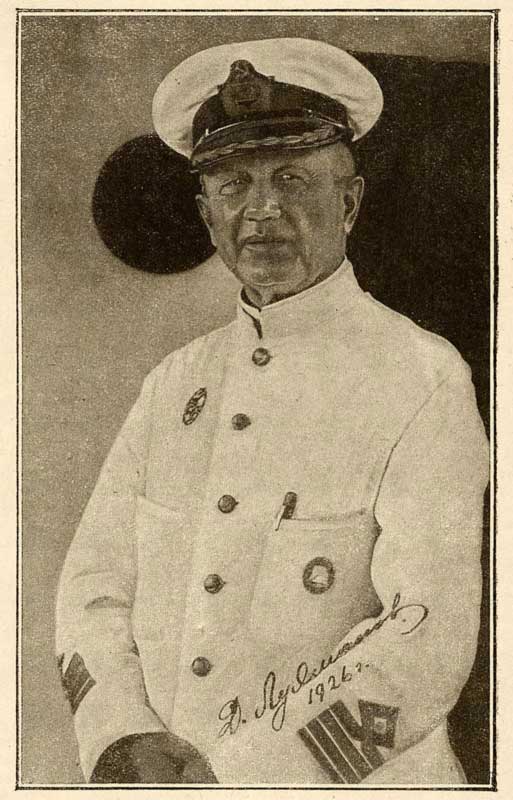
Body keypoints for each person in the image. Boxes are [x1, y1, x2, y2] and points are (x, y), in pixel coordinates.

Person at [56, 38, 489, 785]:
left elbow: (430, 636)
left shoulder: (422, 375)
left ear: (348, 203)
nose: (262, 212)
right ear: (206, 213)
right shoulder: (173, 384)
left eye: (292, 179)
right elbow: (92, 587)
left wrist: (248, 775)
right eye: (234, 186)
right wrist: (120, 734)